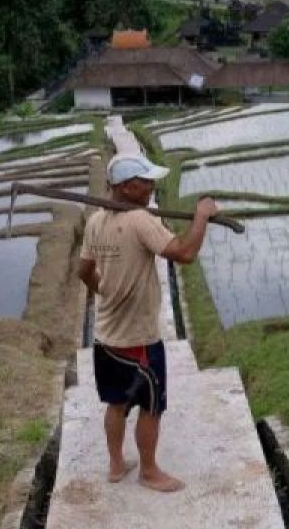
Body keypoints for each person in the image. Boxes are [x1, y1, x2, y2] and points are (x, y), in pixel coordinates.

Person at [77, 154, 219, 492]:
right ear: (126, 187)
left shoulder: (96, 221)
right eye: (146, 182)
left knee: (116, 403)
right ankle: (149, 471)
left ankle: (116, 465)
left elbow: (83, 271)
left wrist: (107, 292)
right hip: (138, 340)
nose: (152, 187)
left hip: (106, 335)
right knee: (151, 406)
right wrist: (202, 216)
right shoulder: (141, 220)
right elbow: (184, 253)